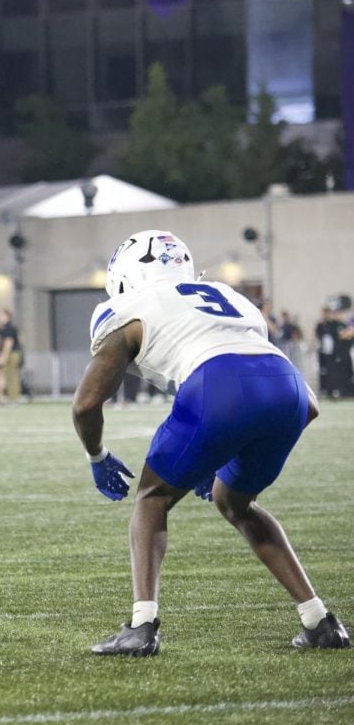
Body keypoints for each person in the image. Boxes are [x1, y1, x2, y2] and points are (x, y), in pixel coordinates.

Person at [72, 230, 348, 655]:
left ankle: (141, 627)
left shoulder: (126, 308)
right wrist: (221, 455)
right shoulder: (229, 296)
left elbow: (86, 405)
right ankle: (319, 621)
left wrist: (97, 455)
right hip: (289, 391)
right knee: (236, 503)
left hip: (216, 387)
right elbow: (307, 404)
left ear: (124, 276)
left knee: (152, 497)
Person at [0, 308, 23, 404]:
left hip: (11, 354)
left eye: (1, 316)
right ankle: (12, 397)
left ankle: (13, 397)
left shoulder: (9, 327)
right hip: (12, 353)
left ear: (7, 317)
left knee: (11, 376)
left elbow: (8, 343)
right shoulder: (7, 327)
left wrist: (3, 357)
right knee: (10, 375)